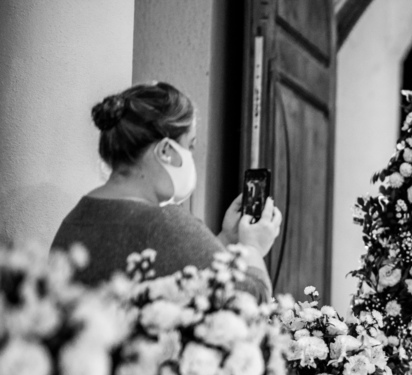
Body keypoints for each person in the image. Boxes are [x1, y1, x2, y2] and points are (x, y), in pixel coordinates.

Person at [51, 82, 279, 299]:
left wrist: (226, 239)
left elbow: (176, 264)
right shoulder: (164, 223)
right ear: (166, 151)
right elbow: (251, 301)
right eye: (190, 145)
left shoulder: (75, 218)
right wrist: (253, 248)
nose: (192, 157)